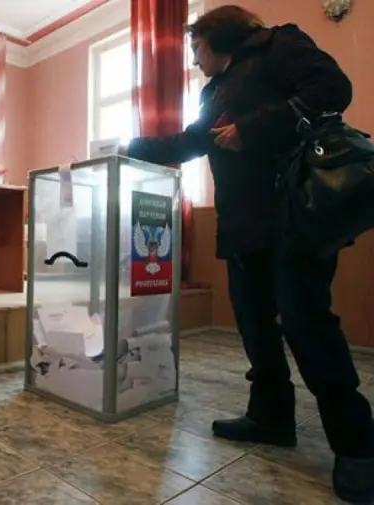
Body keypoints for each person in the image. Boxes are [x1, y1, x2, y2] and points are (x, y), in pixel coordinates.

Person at [123, 5, 374, 503]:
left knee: (306, 323)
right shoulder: (214, 91)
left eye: (196, 47)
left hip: (293, 215)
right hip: (243, 225)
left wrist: (252, 129)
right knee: (255, 324)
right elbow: (193, 142)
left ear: (217, 35)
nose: (194, 59)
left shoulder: (277, 45)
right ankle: (270, 416)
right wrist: (128, 146)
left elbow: (333, 88)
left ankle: (358, 444)